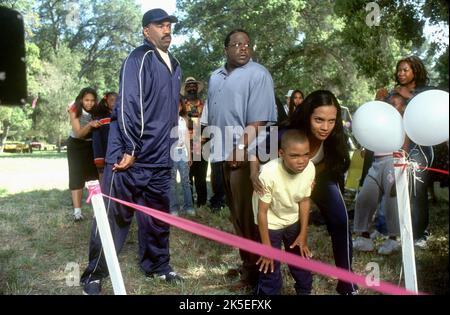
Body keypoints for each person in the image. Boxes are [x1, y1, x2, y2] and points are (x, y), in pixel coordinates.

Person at [80, 8, 183, 295]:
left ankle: (158, 266)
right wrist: (130, 148)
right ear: (145, 31)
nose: (166, 30)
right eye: (159, 26)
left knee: (157, 216)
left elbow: (170, 114)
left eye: (169, 26)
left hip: (161, 158)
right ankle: (94, 274)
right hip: (129, 157)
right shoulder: (139, 58)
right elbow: (128, 105)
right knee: (113, 216)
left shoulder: (175, 64)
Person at [207, 29, 277, 289]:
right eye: (236, 44)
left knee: (251, 216)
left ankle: (259, 276)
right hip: (220, 155)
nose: (243, 48)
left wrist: (239, 148)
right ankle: (249, 264)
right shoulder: (215, 77)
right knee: (236, 215)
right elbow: (211, 115)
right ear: (226, 49)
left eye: (247, 44)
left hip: (247, 157)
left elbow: (258, 119)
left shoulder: (258, 74)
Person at [287, 90, 358, 295]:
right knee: (289, 227)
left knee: (341, 219)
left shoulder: (336, 136)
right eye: (319, 120)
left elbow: (337, 164)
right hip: (287, 180)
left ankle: (347, 285)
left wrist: (313, 177)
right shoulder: (288, 132)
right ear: (307, 115)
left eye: (331, 120)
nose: (325, 127)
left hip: (320, 177)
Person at [377, 55, 434, 248]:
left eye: (405, 70)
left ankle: (420, 234)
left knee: (417, 189)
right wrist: (380, 100)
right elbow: (381, 117)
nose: (401, 73)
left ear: (415, 71)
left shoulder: (424, 94)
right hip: (397, 145)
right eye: (399, 70)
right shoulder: (391, 94)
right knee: (394, 187)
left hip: (420, 147)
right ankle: (394, 231)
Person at [253, 129, 315, 295]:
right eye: (294, 156)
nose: (301, 161)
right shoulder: (268, 172)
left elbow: (304, 200)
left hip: (292, 218)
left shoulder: (310, 168)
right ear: (281, 153)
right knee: (269, 266)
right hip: (270, 221)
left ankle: (304, 291)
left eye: (306, 154)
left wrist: (303, 234)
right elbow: (262, 212)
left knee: (300, 260)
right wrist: (266, 248)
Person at [353, 93, 407, 255]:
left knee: (392, 202)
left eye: (396, 104)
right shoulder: (384, 120)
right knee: (365, 197)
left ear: (403, 107)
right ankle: (364, 238)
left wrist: (401, 158)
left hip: (393, 161)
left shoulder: (403, 122)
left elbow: (406, 142)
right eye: (390, 103)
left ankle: (393, 240)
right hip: (376, 162)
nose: (392, 106)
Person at [67, 87, 101, 221]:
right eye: (86, 100)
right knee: (76, 177)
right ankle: (77, 212)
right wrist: (90, 125)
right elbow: (78, 133)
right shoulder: (74, 109)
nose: (89, 103)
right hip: (76, 144)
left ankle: (97, 210)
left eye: (92, 100)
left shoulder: (97, 109)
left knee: (93, 177)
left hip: (91, 145)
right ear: (81, 99)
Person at [180, 77, 208, 207]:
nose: (191, 88)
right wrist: (196, 122)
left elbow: (208, 123)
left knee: (201, 177)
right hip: (186, 145)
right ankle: (189, 203)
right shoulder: (181, 105)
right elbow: (183, 123)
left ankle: (202, 203)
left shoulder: (204, 105)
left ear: (197, 88)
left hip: (202, 144)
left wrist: (193, 123)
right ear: (185, 90)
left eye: (193, 85)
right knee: (188, 176)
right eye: (188, 86)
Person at [169, 101, 194, 216]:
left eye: (178, 105)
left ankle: (189, 206)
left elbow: (187, 138)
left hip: (182, 152)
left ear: (180, 107)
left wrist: (189, 154)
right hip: (172, 153)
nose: (176, 107)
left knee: (186, 180)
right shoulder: (167, 120)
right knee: (172, 181)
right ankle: (174, 208)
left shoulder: (183, 120)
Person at [91, 92, 117, 180]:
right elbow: (96, 141)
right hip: (105, 158)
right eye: (112, 100)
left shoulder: (123, 118)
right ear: (106, 103)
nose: (115, 102)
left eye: (117, 100)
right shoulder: (100, 120)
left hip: (119, 158)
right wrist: (99, 160)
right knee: (105, 183)